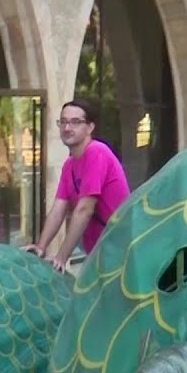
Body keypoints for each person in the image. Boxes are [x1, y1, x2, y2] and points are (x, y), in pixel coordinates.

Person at [24, 98, 131, 271]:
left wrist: (61, 258)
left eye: (75, 122)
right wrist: (41, 247)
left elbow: (84, 209)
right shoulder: (69, 165)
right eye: (63, 122)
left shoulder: (97, 153)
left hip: (120, 251)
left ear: (90, 127)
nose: (67, 128)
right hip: (99, 253)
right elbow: (58, 209)